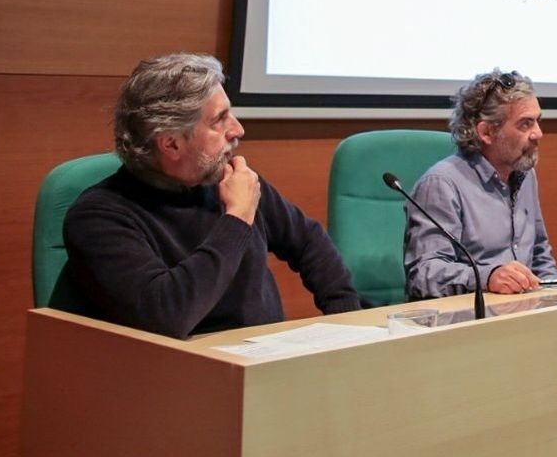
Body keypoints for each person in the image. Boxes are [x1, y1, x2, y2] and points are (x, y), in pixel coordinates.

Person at [61, 53, 361, 339]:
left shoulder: (229, 178)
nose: (238, 129)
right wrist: (238, 218)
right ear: (171, 144)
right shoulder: (99, 217)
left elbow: (309, 241)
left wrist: (346, 324)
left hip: (263, 365)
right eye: (219, 120)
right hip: (183, 377)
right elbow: (166, 316)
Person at [404, 70, 557, 298]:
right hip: (468, 320)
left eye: (538, 121)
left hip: (522, 314)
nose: (538, 134)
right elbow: (426, 274)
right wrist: (487, 278)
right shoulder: (441, 184)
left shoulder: (525, 174)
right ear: (486, 132)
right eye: (525, 124)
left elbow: (540, 255)